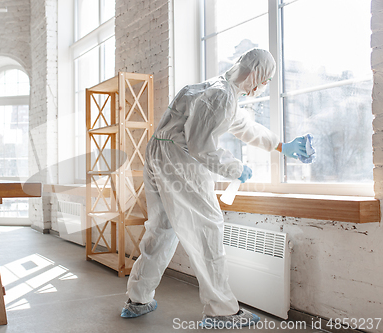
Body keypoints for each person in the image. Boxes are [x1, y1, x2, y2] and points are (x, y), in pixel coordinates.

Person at [120, 48, 308, 329]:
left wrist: (282, 146)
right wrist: (235, 168)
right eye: (266, 79)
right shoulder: (222, 96)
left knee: (161, 228)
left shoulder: (217, 89)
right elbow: (200, 145)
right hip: (179, 158)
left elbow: (245, 127)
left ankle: (138, 298)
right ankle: (221, 311)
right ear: (256, 74)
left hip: (158, 153)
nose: (264, 86)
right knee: (207, 229)